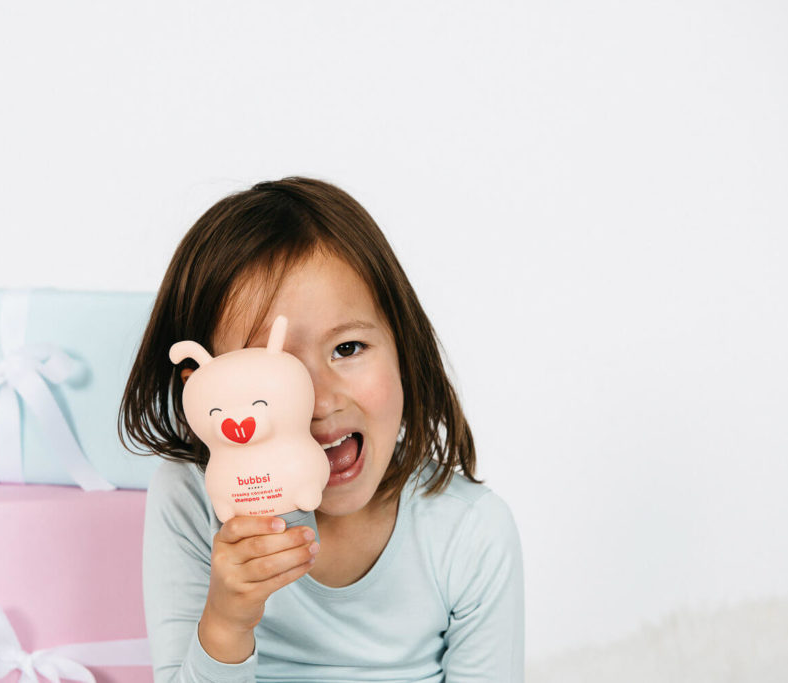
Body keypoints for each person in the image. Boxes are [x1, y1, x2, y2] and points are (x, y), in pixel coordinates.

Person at [121, 177, 524, 682]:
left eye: (348, 348)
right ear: (200, 386)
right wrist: (227, 623)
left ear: (403, 344)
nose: (320, 401)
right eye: (276, 372)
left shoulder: (470, 533)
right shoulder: (192, 494)